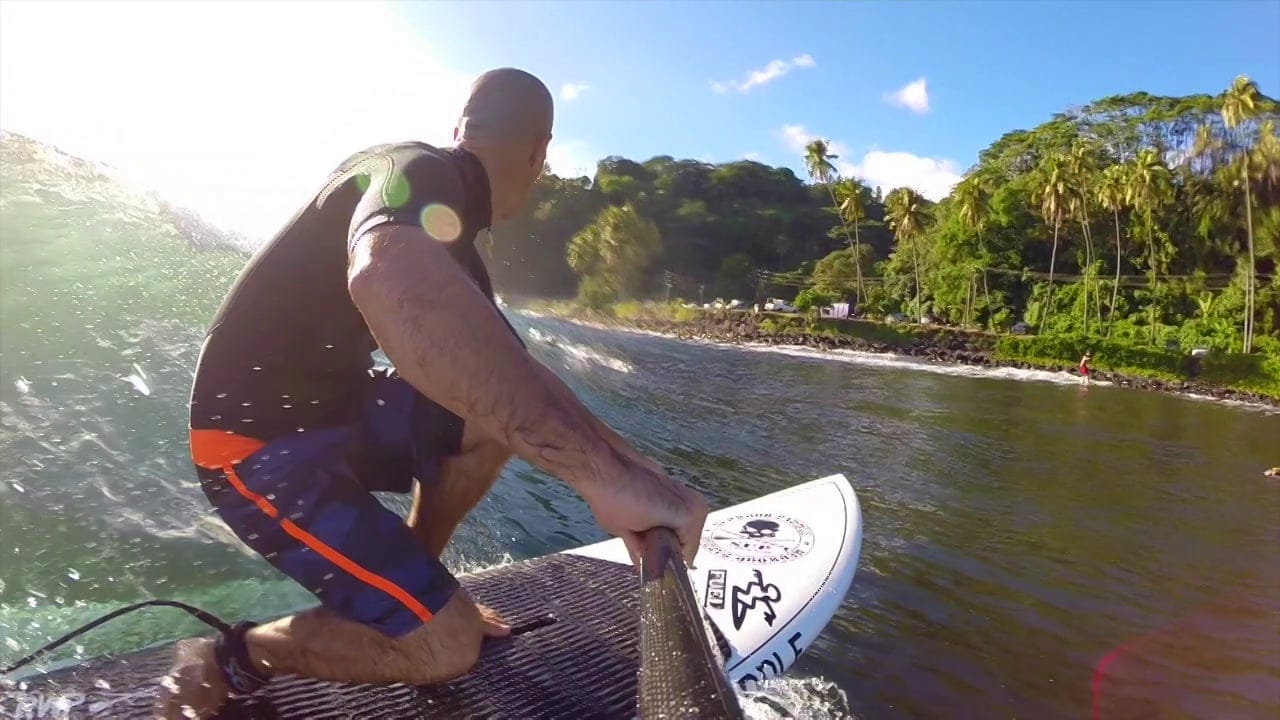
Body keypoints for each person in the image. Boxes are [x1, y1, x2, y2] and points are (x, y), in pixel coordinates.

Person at [157, 68, 709, 719]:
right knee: (446, 648)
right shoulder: (409, 168)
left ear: (462, 128)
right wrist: (600, 473)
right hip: (252, 446)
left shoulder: (456, 239)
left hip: (338, 411)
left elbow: (514, 389)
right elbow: (387, 275)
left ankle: (418, 582)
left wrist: (631, 474)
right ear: (539, 152)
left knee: (490, 410)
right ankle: (235, 655)